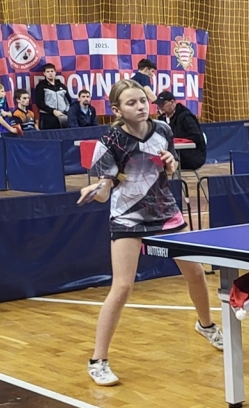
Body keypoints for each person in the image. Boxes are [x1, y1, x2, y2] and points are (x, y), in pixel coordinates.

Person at [77, 78, 223, 387]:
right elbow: (105, 192)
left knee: (196, 274)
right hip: (128, 217)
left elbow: (169, 172)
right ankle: (98, 360)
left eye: (142, 100)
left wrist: (171, 164)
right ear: (117, 110)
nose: (140, 106)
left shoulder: (164, 131)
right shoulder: (111, 140)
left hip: (165, 212)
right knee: (122, 288)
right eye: (131, 103)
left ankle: (206, 325)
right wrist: (96, 188)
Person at [155, 91, 207, 171]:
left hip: (193, 155)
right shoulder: (162, 120)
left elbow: (196, 136)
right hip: (174, 153)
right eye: (159, 105)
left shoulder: (186, 117)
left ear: (172, 102)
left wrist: (177, 140)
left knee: (161, 161)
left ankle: (169, 182)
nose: (160, 107)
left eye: (163, 104)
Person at [32, 63, 72, 130]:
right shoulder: (41, 86)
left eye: (52, 71)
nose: (50, 73)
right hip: (47, 117)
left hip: (63, 116)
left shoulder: (61, 86)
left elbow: (68, 101)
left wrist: (65, 112)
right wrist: (53, 111)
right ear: (44, 73)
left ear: (55, 72)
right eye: (48, 72)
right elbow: (39, 103)